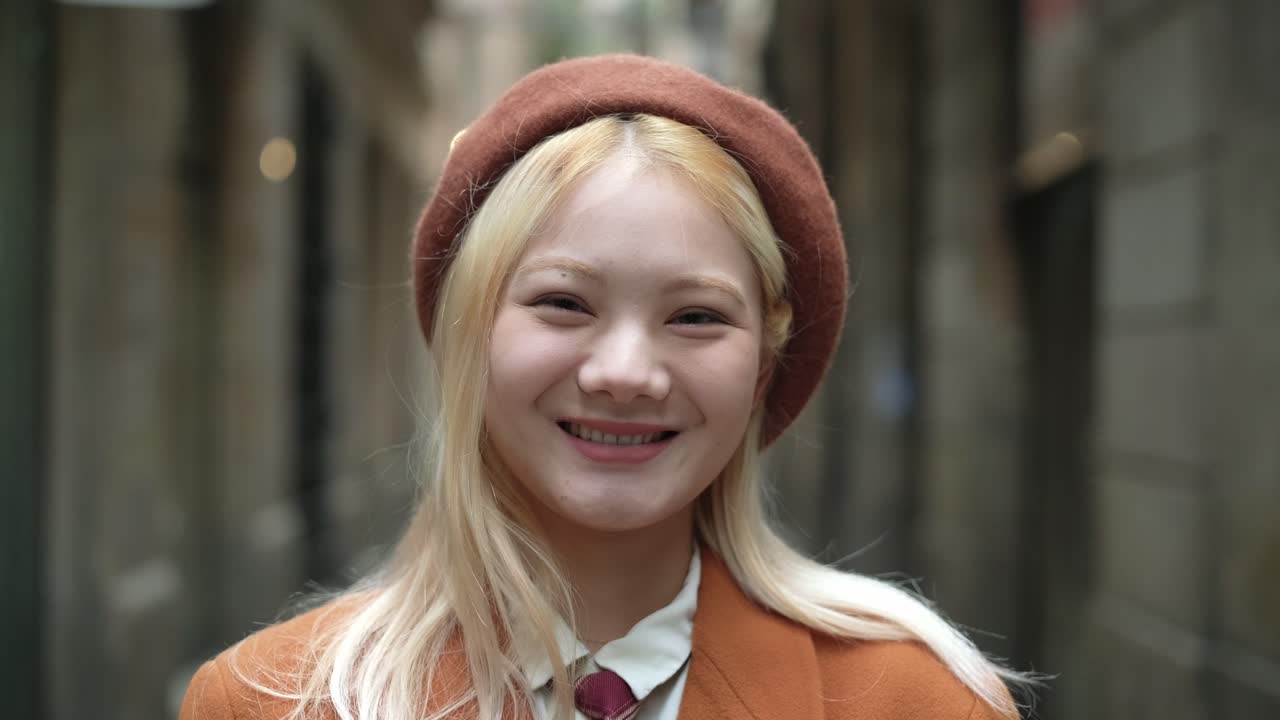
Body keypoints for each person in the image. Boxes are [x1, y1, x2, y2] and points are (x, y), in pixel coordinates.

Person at [180, 55, 1027, 720]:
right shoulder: (267, 704)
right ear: (469, 338)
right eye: (563, 303)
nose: (625, 373)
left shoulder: (922, 704)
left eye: (696, 316)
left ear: (763, 364)